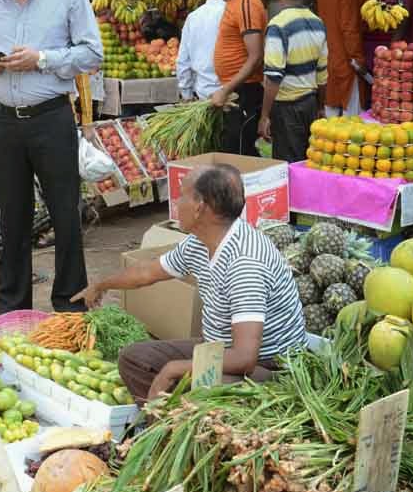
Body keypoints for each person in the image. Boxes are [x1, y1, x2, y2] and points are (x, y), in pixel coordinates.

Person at [73, 164, 306, 404]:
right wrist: (101, 285)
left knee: (192, 388)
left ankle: (171, 424)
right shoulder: (201, 241)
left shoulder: (244, 263)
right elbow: (145, 273)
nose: (175, 203)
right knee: (134, 359)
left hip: (266, 368)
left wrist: (175, 368)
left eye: (181, 196)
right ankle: (162, 419)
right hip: (217, 348)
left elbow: (245, 358)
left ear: (199, 207)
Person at [0, 0, 103, 314]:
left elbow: (92, 54)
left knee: (65, 214)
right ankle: (13, 310)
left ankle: (70, 306)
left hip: (51, 118)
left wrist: (41, 59)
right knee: (13, 218)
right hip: (5, 122)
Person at [260, 0, 327, 164]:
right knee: (309, 162)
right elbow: (322, 73)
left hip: (287, 108)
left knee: (289, 167)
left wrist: (264, 115)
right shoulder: (318, 23)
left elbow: (273, 77)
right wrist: (320, 106)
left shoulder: (277, 26)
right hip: (310, 104)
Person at [206, 0, 267, 156]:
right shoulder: (235, 1)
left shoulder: (246, 4)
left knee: (239, 152)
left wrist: (226, 90)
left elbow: (256, 56)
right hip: (236, 90)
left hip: (245, 92)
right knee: (236, 149)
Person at [316, 0, 367, 117]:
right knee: (351, 116)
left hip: (327, 59)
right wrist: (358, 59)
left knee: (330, 111)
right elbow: (349, 30)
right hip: (346, 61)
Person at [175, 0, 224, 101]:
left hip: (202, 94)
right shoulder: (232, 14)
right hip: (230, 94)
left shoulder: (193, 17)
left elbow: (183, 61)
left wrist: (186, 94)